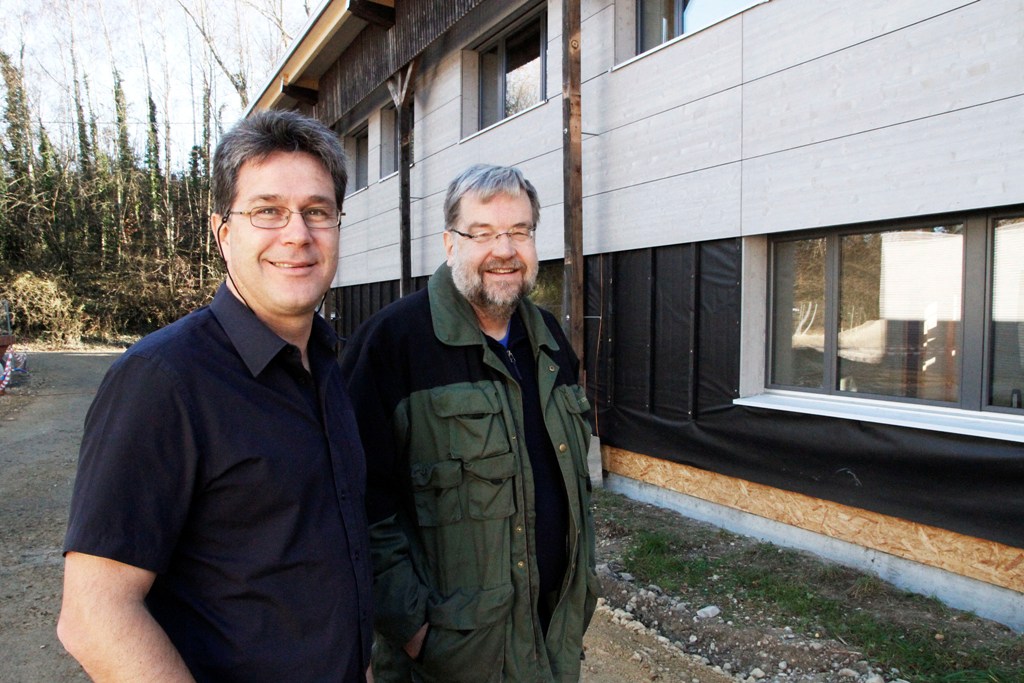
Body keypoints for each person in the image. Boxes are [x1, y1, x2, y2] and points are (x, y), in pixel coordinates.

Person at [57, 110, 373, 682]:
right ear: (224, 234)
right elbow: (93, 614)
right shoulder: (162, 380)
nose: (297, 233)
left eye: (317, 212)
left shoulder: (328, 366)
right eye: (267, 211)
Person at [340, 164, 598, 682]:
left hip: (549, 640)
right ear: (449, 243)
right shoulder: (393, 344)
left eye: (519, 232)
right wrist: (415, 630)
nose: (504, 250)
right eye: (482, 233)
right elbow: (355, 505)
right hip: (448, 659)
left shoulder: (547, 338)